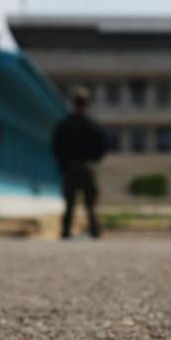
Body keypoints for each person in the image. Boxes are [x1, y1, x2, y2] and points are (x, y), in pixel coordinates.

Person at [51, 87, 108, 239]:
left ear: (73, 103)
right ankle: (95, 231)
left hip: (70, 167)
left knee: (69, 203)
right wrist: (94, 160)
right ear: (87, 104)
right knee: (91, 203)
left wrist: (63, 163)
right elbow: (103, 146)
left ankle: (66, 232)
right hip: (88, 167)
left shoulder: (64, 124)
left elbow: (56, 147)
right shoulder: (94, 125)